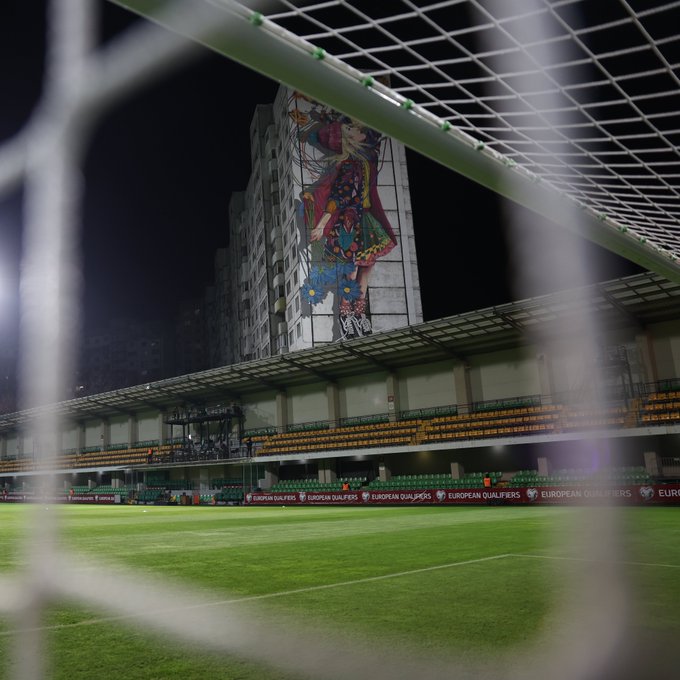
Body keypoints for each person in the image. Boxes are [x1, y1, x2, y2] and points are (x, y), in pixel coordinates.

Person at [295, 99, 397, 339]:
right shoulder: (348, 164)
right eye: (351, 129)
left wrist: (333, 114)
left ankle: (359, 314)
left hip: (367, 218)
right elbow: (338, 197)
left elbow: (374, 131)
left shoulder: (369, 154)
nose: (357, 130)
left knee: (367, 267)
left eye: (357, 128)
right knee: (351, 272)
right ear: (346, 138)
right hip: (349, 224)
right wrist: (321, 225)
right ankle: (345, 315)